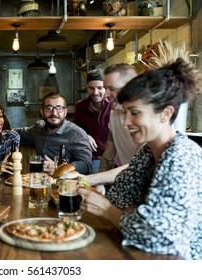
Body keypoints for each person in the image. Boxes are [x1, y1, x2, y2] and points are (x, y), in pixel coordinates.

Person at [78, 58, 202, 260]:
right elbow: (119, 197)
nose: (126, 122)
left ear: (165, 113)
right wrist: (135, 218)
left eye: (134, 113)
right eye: (125, 112)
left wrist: (107, 210)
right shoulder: (147, 152)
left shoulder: (182, 157)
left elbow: (159, 236)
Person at [15, 92, 92, 175]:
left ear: (65, 112)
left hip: (66, 184)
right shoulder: (38, 128)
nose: (54, 113)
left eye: (59, 108)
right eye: (49, 108)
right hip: (39, 182)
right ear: (42, 111)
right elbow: (15, 134)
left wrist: (58, 167)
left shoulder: (76, 134)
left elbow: (86, 166)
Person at [97, 64, 140, 175]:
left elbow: (141, 162)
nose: (105, 95)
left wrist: (95, 179)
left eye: (112, 89)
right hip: (129, 178)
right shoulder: (114, 113)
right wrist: (99, 184)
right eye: (105, 89)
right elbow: (109, 152)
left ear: (129, 87)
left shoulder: (145, 116)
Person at [73, 69, 111, 173]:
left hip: (117, 156)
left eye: (100, 88)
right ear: (87, 87)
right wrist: (85, 135)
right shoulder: (80, 106)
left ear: (106, 87)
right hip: (95, 157)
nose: (95, 93)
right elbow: (73, 129)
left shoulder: (113, 105)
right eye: (91, 88)